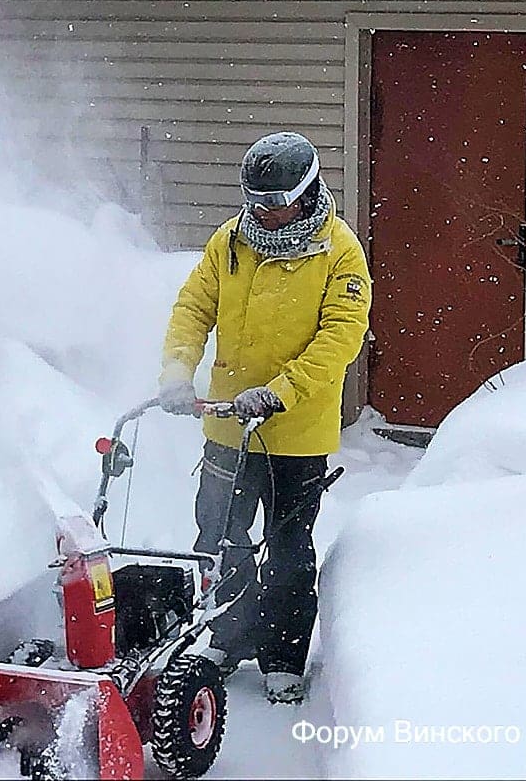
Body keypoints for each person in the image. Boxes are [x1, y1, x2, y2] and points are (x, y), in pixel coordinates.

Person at [158, 131, 371, 704]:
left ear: (306, 194)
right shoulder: (231, 241)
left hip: (295, 433)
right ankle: (226, 637)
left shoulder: (339, 253)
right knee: (220, 534)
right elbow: (193, 307)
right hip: (227, 426)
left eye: (272, 204)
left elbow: (339, 340)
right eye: (253, 202)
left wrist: (279, 392)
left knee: (287, 546)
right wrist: (177, 373)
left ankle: (281, 654)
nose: (260, 214)